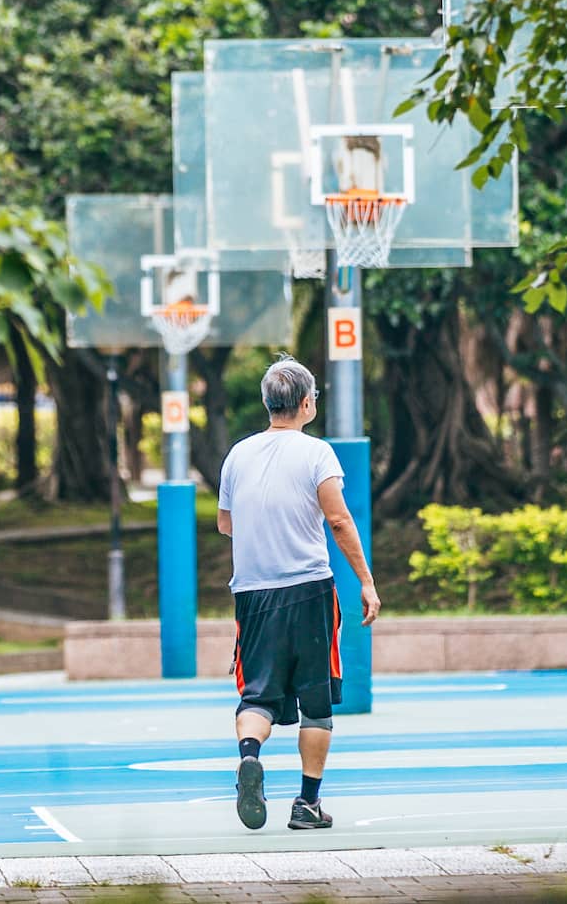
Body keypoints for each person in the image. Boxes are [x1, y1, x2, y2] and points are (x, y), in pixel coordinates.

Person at [216, 356, 379, 831]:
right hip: (309, 589)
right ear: (306, 403)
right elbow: (339, 519)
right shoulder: (317, 454)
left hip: (252, 594)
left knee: (257, 697)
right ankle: (307, 804)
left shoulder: (237, 455)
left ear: (268, 404)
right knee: (316, 701)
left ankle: (250, 756)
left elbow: (226, 523)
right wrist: (366, 581)